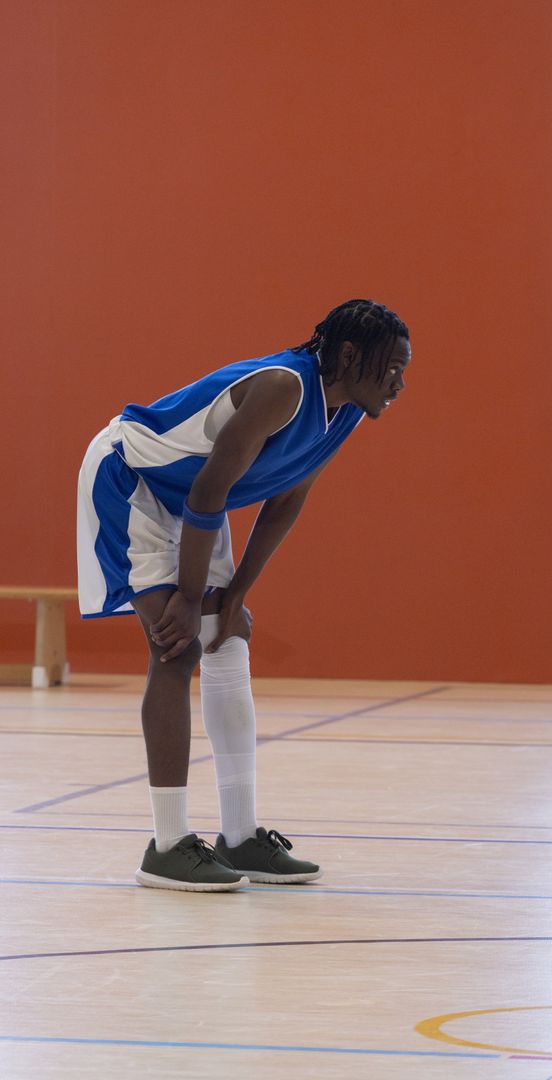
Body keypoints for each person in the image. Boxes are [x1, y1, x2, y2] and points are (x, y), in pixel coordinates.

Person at [76, 299, 411, 891]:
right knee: (176, 648)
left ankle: (240, 836)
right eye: (391, 369)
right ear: (351, 356)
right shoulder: (284, 388)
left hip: (197, 503)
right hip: (134, 481)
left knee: (227, 644)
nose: (400, 384)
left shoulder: (346, 412)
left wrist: (235, 598)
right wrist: (186, 595)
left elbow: (285, 501)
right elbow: (207, 493)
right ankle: (168, 844)